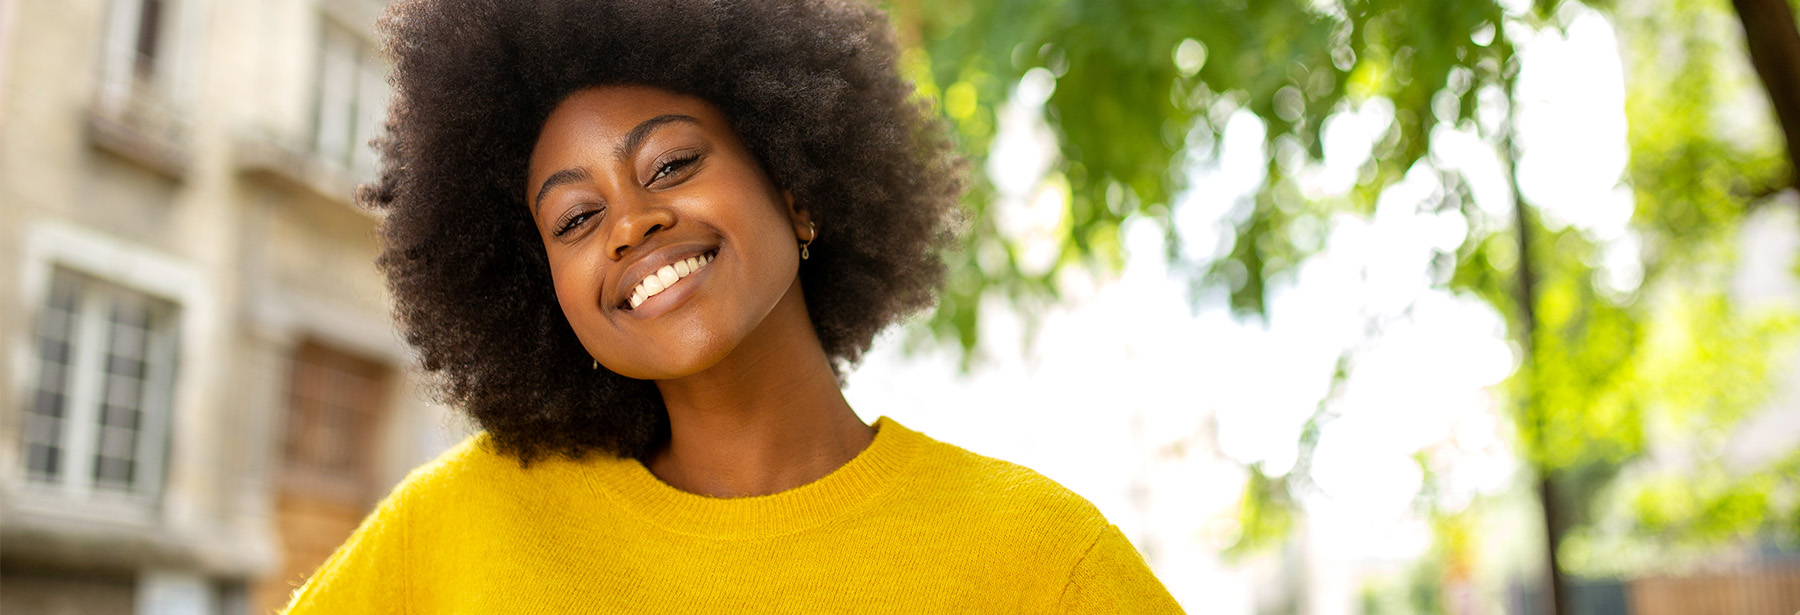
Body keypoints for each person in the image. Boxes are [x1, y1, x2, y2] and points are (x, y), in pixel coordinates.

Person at [280, 0, 1184, 612]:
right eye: (577, 217)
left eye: (671, 164)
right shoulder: (456, 531)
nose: (632, 223)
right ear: (543, 294)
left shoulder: (1038, 560)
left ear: (796, 189)